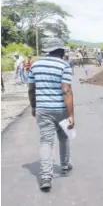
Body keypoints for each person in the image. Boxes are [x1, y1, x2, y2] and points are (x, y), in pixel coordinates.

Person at [27, 38, 75, 191]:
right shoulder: (64, 65)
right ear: (61, 51)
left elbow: (31, 89)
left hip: (43, 109)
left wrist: (34, 107)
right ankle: (65, 166)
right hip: (60, 109)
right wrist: (71, 114)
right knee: (63, 137)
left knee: (46, 141)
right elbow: (66, 90)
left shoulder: (35, 65)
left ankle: (46, 177)